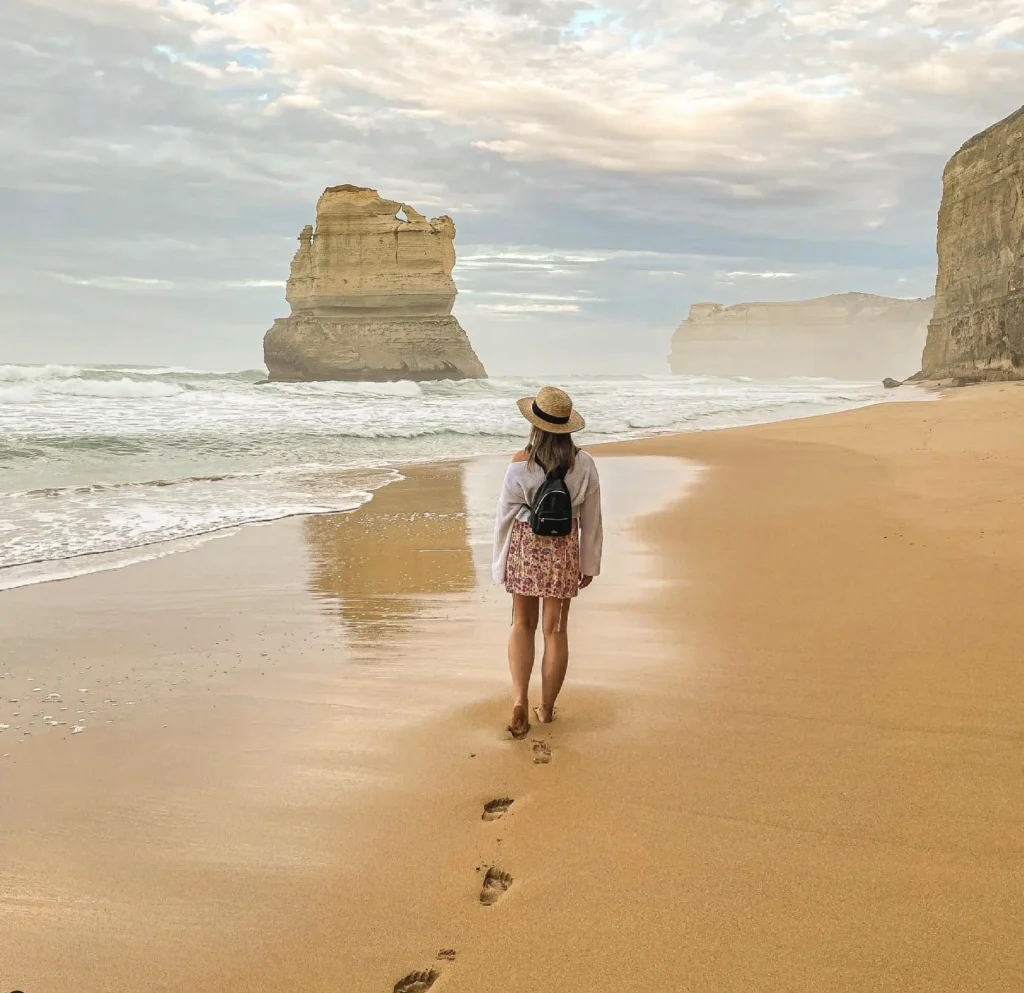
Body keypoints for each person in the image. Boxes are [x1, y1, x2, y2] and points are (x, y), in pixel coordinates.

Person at [492, 386, 603, 739]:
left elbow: (504, 518)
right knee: (555, 630)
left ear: (535, 425)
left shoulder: (520, 463)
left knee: (522, 623)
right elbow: (592, 520)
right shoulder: (583, 464)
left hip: (526, 546)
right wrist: (589, 564)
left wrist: (500, 563)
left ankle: (520, 701)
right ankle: (547, 709)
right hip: (564, 549)